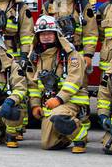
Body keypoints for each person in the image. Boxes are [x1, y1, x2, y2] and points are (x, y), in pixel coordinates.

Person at [27, 16, 89, 152]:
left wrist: (59, 99)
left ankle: (80, 137)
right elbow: (33, 84)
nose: (46, 37)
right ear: (37, 36)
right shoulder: (35, 57)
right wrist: (35, 105)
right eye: (42, 34)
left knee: (59, 116)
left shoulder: (70, 54)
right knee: (48, 144)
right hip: (50, 104)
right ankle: (66, 133)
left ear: (56, 34)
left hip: (71, 101)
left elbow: (74, 79)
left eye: (49, 33)